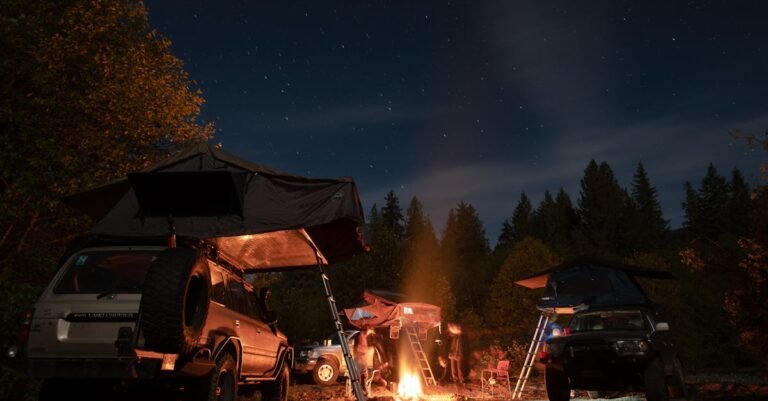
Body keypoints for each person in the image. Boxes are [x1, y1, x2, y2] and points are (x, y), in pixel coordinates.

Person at [354, 328, 370, 394]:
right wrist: (363, 353)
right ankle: (358, 391)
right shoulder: (361, 336)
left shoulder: (364, 336)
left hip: (363, 359)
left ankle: (364, 389)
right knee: (359, 376)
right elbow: (357, 348)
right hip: (359, 359)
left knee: (365, 376)